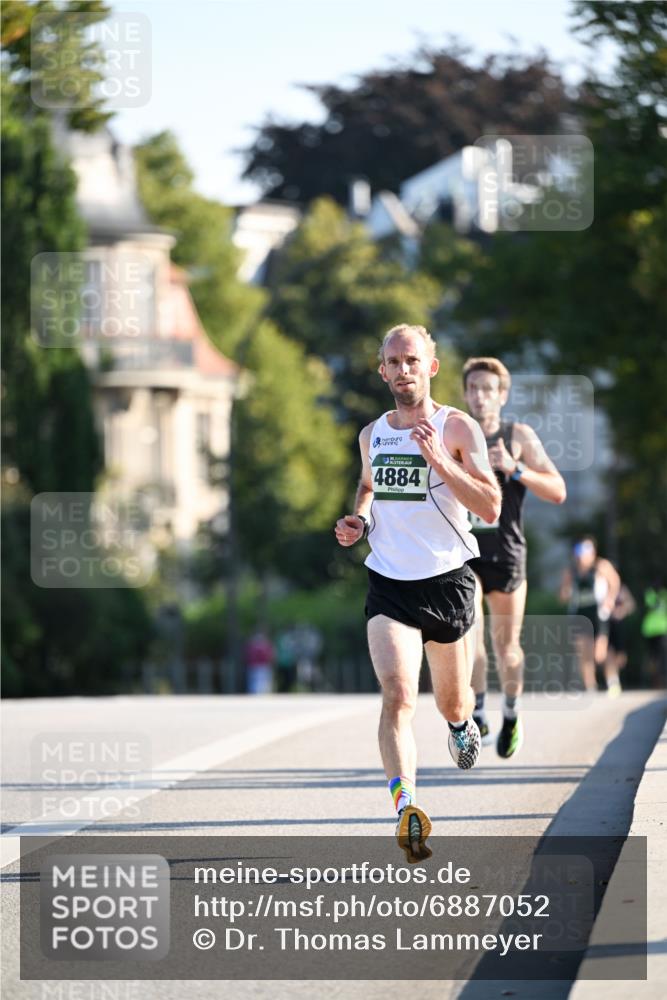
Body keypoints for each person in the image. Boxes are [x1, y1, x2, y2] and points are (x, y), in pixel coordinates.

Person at [334, 324, 501, 863]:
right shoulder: (372, 434)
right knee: (399, 695)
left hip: (448, 582)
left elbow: (491, 507)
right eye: (393, 361)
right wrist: (358, 520)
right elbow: (367, 484)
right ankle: (406, 806)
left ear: (431, 366)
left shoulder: (457, 427)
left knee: (452, 700)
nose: (402, 370)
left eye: (412, 360)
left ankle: (459, 724)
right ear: (381, 370)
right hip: (389, 583)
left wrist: (441, 461)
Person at [462, 358, 566, 759]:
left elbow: (558, 490)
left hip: (506, 554)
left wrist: (515, 468)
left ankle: (511, 712)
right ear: (466, 392)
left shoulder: (517, 435)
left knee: (506, 646)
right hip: (465, 554)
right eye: (473, 388)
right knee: (470, 638)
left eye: (488, 388)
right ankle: (479, 711)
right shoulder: (455, 431)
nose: (480, 395)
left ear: (502, 395)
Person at [559, 537, 620, 691]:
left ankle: (612, 680)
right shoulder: (571, 571)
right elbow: (563, 595)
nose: (582, 556)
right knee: (582, 651)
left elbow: (615, 582)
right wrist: (565, 593)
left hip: (598, 612)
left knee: (599, 653)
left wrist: (610, 599)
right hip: (580, 613)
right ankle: (590, 685)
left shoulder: (601, 566)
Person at [605, 581, 635, 697]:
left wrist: (621, 611)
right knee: (607, 653)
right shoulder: (601, 587)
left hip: (619, 624)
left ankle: (616, 679)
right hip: (605, 625)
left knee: (620, 656)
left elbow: (631, 605)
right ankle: (613, 681)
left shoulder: (621, 589)